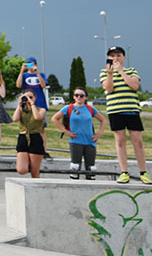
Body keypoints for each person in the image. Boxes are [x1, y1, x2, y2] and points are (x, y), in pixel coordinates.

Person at [100, 46, 151, 184]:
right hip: (115, 111)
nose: (115, 58)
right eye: (112, 56)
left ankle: (143, 172)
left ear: (124, 58)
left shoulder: (131, 71)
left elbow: (134, 86)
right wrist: (111, 74)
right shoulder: (104, 73)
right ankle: (124, 172)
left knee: (138, 141)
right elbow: (109, 89)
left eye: (118, 55)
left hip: (132, 110)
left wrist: (121, 72)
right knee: (120, 141)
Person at [51, 86, 106, 180]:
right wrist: (66, 131)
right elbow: (54, 119)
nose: (79, 97)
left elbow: (103, 120)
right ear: (73, 97)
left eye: (81, 95)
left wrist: (99, 133)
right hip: (76, 141)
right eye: (76, 95)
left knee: (91, 168)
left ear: (86, 97)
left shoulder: (90, 109)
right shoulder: (68, 108)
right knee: (75, 167)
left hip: (90, 141)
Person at [16, 57, 50, 158]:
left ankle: (44, 150)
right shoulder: (24, 75)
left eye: (32, 64)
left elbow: (44, 85)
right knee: (27, 127)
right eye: (28, 64)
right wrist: (22, 71)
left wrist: (37, 72)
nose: (30, 66)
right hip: (27, 104)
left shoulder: (41, 74)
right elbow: (18, 85)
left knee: (41, 128)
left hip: (39, 103)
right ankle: (28, 148)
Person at [12, 90, 46, 178]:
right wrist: (19, 105)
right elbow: (15, 119)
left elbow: (37, 117)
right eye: (26, 97)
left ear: (35, 98)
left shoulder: (41, 109)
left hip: (35, 137)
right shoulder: (21, 109)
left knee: (35, 172)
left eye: (30, 97)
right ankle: (29, 162)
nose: (28, 99)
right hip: (23, 137)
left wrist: (32, 104)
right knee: (21, 169)